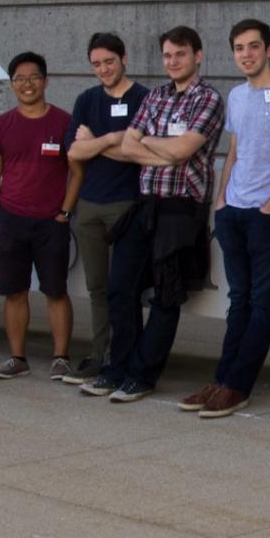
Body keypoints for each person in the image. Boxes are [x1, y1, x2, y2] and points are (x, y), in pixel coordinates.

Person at [77, 26, 224, 403]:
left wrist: (150, 144)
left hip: (181, 210)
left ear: (198, 56)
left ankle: (142, 375)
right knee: (119, 287)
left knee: (165, 296)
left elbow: (183, 151)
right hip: (144, 204)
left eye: (180, 54)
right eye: (168, 55)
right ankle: (118, 368)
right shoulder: (155, 96)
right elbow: (129, 144)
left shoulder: (207, 98)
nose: (173, 61)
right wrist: (161, 147)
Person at [181, 20, 270, 418]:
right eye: (239, 48)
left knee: (262, 303)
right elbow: (233, 150)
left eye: (254, 46)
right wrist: (221, 199)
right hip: (233, 213)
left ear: (269, 49)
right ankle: (222, 379)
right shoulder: (236, 96)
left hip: (269, 215)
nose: (246, 54)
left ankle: (239, 385)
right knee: (238, 302)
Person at [0, 52, 78, 381]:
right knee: (14, 291)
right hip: (10, 219)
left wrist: (65, 210)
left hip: (52, 222)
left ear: (46, 81)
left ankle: (61, 357)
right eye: (20, 79)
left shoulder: (64, 122)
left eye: (34, 77)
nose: (27, 84)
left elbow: (77, 171)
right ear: (11, 85)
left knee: (55, 291)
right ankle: (17, 357)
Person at [65, 33, 149, 384]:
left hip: (127, 204)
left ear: (124, 58)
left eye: (109, 62)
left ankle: (126, 356)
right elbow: (73, 152)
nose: (103, 69)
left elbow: (136, 149)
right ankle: (100, 354)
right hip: (89, 205)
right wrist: (115, 138)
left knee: (124, 287)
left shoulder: (143, 97)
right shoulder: (87, 99)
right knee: (97, 286)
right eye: (96, 64)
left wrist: (97, 142)